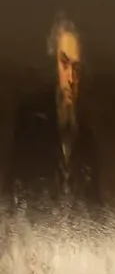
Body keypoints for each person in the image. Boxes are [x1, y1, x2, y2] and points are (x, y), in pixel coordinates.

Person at [5, 14, 101, 208]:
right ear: (53, 65)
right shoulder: (30, 122)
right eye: (64, 64)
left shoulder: (86, 138)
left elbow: (95, 212)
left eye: (77, 68)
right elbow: (13, 199)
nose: (71, 78)